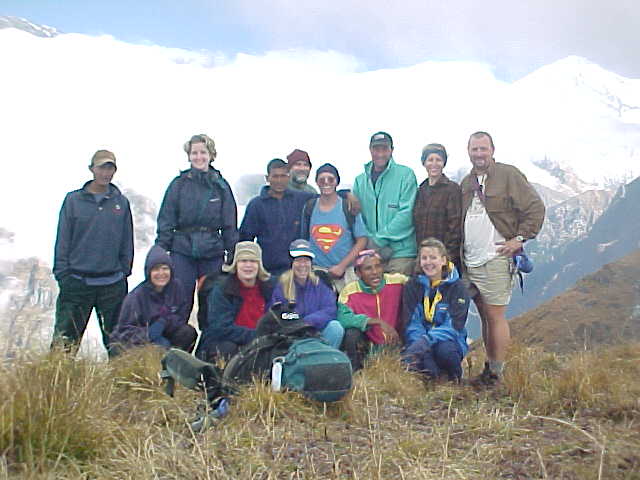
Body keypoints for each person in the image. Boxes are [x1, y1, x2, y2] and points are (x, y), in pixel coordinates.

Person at [461, 131, 545, 385]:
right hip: (471, 260)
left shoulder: (508, 175)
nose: (479, 154)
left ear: (492, 150)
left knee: (496, 315)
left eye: (483, 149)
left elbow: (535, 208)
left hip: (496, 258)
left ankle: (497, 372)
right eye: (474, 149)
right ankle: (489, 367)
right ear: (468, 151)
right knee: (485, 315)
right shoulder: (466, 183)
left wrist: (518, 239)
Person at [51, 149, 133, 353]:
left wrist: (123, 272)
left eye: (110, 168)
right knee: (64, 345)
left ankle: (120, 384)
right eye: (102, 167)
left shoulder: (121, 203)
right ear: (91, 169)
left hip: (112, 284)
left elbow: (127, 242)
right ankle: (53, 384)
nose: (106, 173)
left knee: (118, 346)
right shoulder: (73, 201)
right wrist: (63, 275)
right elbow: (63, 240)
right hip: (77, 283)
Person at [156, 134, 238, 330]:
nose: (199, 157)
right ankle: (177, 343)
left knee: (212, 299)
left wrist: (232, 251)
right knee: (179, 298)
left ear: (211, 155)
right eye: (194, 153)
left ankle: (210, 346)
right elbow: (166, 218)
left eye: (203, 152)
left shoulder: (221, 186)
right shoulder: (179, 184)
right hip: (182, 249)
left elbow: (229, 222)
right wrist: (160, 250)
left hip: (212, 251)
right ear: (188, 156)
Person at [401, 238, 470, 382]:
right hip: (420, 341)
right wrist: (419, 343)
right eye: (424, 258)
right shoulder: (412, 286)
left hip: (448, 340)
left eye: (433, 258)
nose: (428, 262)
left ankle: (455, 382)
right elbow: (411, 321)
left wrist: (428, 340)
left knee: (446, 353)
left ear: (443, 260)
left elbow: (455, 325)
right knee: (427, 369)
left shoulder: (458, 288)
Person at [110, 245, 197, 354]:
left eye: (165, 268)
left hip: (165, 332)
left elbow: (181, 316)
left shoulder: (176, 288)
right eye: (156, 269)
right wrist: (149, 333)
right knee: (158, 348)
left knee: (188, 332)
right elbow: (124, 332)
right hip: (137, 341)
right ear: (148, 272)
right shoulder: (136, 297)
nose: (161, 273)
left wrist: (165, 321)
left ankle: (175, 363)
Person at [353, 131, 418, 276]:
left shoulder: (406, 175)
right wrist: (370, 242)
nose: (380, 153)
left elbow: (407, 213)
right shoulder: (359, 181)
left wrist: (378, 240)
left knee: (397, 295)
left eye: (385, 149)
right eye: (376, 149)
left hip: (401, 253)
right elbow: (358, 216)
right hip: (371, 253)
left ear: (392, 150)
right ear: (370, 150)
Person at [196, 241, 274, 361]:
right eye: (243, 261)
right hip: (228, 342)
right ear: (236, 264)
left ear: (259, 265)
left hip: (260, 342)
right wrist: (258, 335)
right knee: (228, 349)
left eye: (253, 261)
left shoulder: (269, 288)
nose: (248, 265)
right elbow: (220, 328)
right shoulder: (222, 290)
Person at [239, 158, 315, 277]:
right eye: (275, 176)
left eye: (283, 176)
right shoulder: (256, 204)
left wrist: (346, 194)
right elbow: (245, 238)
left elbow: (326, 197)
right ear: (267, 178)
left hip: (296, 268)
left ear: (288, 177)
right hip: (268, 270)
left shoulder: (300, 199)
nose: (279, 180)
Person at [301, 163, 368, 292]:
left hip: (346, 272)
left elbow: (362, 239)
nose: (326, 183)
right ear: (316, 182)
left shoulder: (348, 206)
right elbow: (304, 239)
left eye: (330, 179)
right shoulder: (309, 207)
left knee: (348, 309)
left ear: (337, 181)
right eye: (322, 179)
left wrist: (342, 266)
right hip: (317, 271)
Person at [337, 250, 407, 370]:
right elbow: (343, 318)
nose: (375, 272)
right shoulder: (350, 291)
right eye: (368, 268)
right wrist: (376, 321)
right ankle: (357, 373)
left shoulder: (397, 281)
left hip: (397, 343)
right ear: (358, 273)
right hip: (369, 346)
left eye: (378, 266)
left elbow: (419, 287)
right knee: (351, 334)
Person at [269, 239, 344, 348]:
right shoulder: (282, 286)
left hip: (317, 333)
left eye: (306, 260)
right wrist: (298, 325)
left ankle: (326, 361)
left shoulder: (320, 284)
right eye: (298, 260)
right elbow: (277, 314)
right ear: (291, 263)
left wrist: (308, 322)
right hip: (292, 337)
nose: (302, 265)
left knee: (336, 328)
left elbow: (330, 310)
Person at [413, 144, 462, 273]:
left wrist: (447, 258)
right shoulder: (420, 191)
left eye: (438, 160)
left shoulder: (452, 189)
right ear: (424, 163)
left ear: (444, 163)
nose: (434, 164)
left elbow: (455, 227)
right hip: (423, 259)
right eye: (430, 160)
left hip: (444, 259)